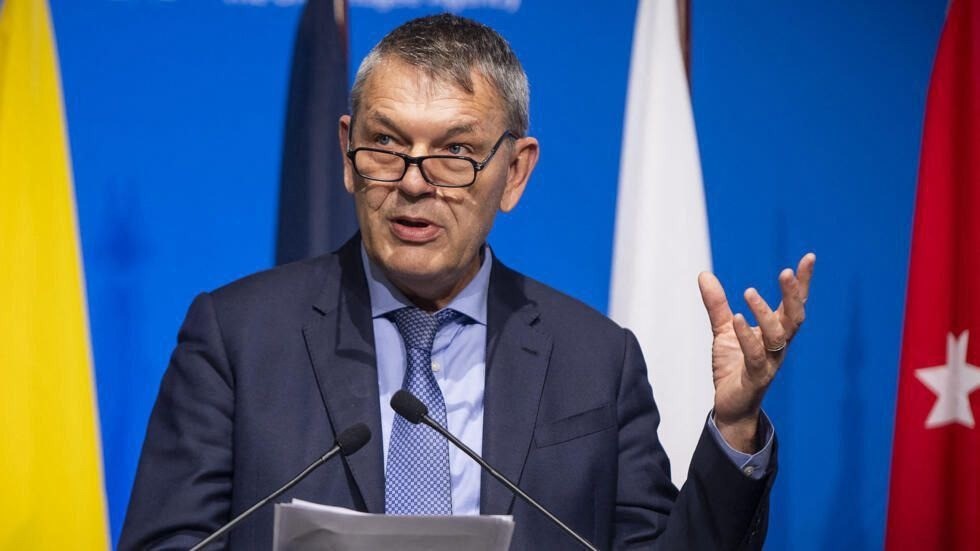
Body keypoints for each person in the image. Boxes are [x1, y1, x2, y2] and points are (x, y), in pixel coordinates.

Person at [119, 13, 815, 551]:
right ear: (346, 152)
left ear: (515, 172)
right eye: (386, 144)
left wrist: (734, 426)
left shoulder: (595, 361)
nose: (413, 183)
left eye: (455, 152)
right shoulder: (238, 339)